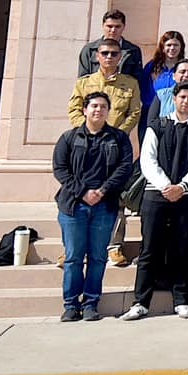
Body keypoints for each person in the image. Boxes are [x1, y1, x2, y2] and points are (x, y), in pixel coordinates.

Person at [123, 79, 188, 321]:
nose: (186, 101)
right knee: (149, 248)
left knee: (183, 249)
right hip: (156, 194)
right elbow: (148, 160)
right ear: (174, 99)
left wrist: (182, 186)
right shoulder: (157, 126)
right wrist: (165, 186)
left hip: (187, 196)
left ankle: (181, 300)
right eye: (182, 97)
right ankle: (140, 301)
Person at [52, 91, 135, 322]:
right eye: (94, 106)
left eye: (103, 107)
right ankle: (70, 304)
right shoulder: (69, 138)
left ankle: (90, 303)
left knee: (98, 257)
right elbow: (60, 169)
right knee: (73, 257)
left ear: (109, 111)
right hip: (73, 206)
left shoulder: (118, 138)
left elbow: (124, 167)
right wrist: (83, 192)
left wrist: (102, 191)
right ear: (85, 110)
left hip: (104, 205)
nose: (98, 110)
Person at [67, 39, 142, 267]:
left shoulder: (130, 84)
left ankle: (114, 246)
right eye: (105, 53)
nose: (109, 57)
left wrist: (115, 134)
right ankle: (75, 247)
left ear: (120, 57)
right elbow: (73, 109)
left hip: (116, 145)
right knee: (81, 192)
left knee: (115, 196)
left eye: (114, 53)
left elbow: (135, 111)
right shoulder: (85, 83)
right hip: (87, 145)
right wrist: (91, 130)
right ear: (97, 56)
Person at [78, 9, 146, 84]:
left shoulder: (133, 51)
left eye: (117, 26)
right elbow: (82, 80)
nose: (113, 30)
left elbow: (137, 81)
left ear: (124, 27)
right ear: (103, 26)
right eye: (109, 26)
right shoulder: (89, 50)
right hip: (96, 92)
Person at [145, 30, 188, 124]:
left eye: (176, 45)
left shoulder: (185, 67)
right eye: (169, 45)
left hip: (175, 114)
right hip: (150, 112)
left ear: (181, 47)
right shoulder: (152, 66)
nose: (172, 48)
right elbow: (143, 88)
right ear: (163, 47)